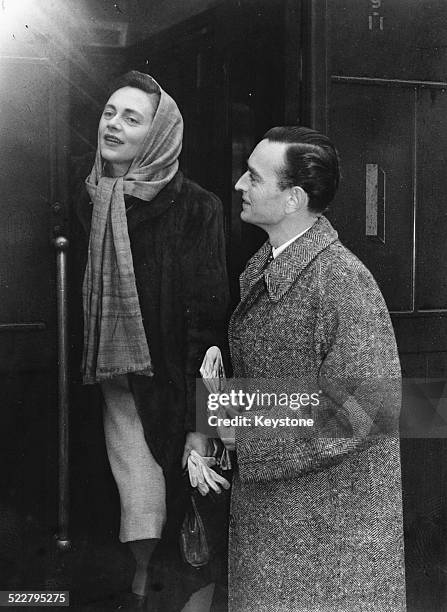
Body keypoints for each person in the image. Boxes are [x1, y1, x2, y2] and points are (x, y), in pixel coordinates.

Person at [202, 126, 406, 611]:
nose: (239, 186)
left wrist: (242, 431)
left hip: (326, 544)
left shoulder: (342, 282)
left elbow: (365, 408)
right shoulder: (270, 265)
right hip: (287, 525)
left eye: (253, 177)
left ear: (293, 199)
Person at [73, 71, 229, 611]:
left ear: (159, 136)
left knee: (184, 523)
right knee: (133, 508)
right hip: (111, 382)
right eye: (109, 112)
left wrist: (198, 422)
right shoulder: (89, 198)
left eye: (131, 118)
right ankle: (141, 591)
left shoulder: (196, 207)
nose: (113, 124)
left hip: (170, 388)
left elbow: (207, 326)